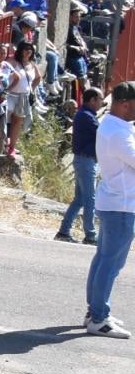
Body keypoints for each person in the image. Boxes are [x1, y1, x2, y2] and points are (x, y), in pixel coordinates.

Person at [86, 80, 135, 338]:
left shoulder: (115, 125)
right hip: (122, 205)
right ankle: (98, 317)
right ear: (125, 104)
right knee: (111, 263)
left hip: (114, 201)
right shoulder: (119, 132)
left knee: (103, 259)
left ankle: (94, 310)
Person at [57, 85, 102, 244]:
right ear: (92, 100)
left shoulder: (86, 114)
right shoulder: (87, 116)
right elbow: (103, 133)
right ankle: (90, 235)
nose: (102, 103)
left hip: (84, 160)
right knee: (90, 199)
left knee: (80, 199)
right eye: (100, 99)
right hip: (86, 161)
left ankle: (64, 231)